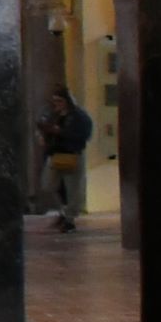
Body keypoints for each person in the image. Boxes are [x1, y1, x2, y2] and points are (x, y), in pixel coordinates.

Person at [39, 84, 94, 230]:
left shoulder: (79, 116)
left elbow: (83, 135)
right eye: (55, 101)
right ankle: (63, 210)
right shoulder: (53, 115)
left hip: (71, 154)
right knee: (48, 184)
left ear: (67, 101)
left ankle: (69, 219)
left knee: (73, 188)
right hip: (55, 153)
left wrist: (61, 132)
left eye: (60, 101)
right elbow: (45, 128)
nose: (57, 105)